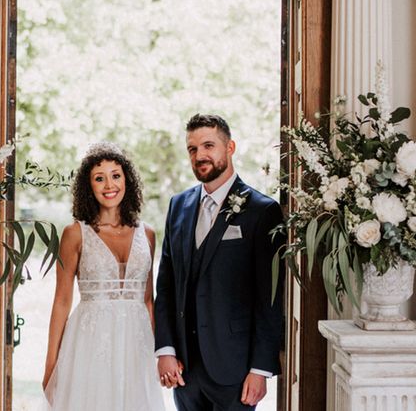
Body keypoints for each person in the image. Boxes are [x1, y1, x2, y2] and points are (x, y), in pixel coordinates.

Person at [155, 114, 285, 410]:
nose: (200, 155)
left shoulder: (262, 211)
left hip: (236, 371)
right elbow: (167, 284)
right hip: (185, 369)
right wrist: (165, 349)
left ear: (230, 147)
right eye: (192, 148)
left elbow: (271, 297)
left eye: (208, 145)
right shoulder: (178, 206)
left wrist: (260, 369)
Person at [42, 142, 165, 410]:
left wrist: (159, 354)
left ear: (127, 180)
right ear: (89, 187)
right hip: (90, 343)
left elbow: (148, 301)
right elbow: (62, 301)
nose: (109, 185)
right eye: (100, 178)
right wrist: (51, 365)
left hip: (135, 346)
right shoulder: (75, 233)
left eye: (116, 175)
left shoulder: (148, 235)